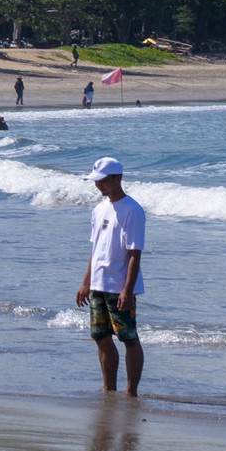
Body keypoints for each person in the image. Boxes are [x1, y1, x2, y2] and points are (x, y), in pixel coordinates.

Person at [75, 156, 145, 397]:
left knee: (128, 337)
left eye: (103, 181)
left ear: (118, 178)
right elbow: (95, 250)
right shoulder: (98, 210)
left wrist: (128, 289)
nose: (99, 185)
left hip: (119, 285)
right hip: (97, 283)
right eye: (96, 181)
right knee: (100, 336)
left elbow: (135, 253)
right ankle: (109, 389)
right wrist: (86, 283)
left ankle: (131, 392)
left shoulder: (133, 210)